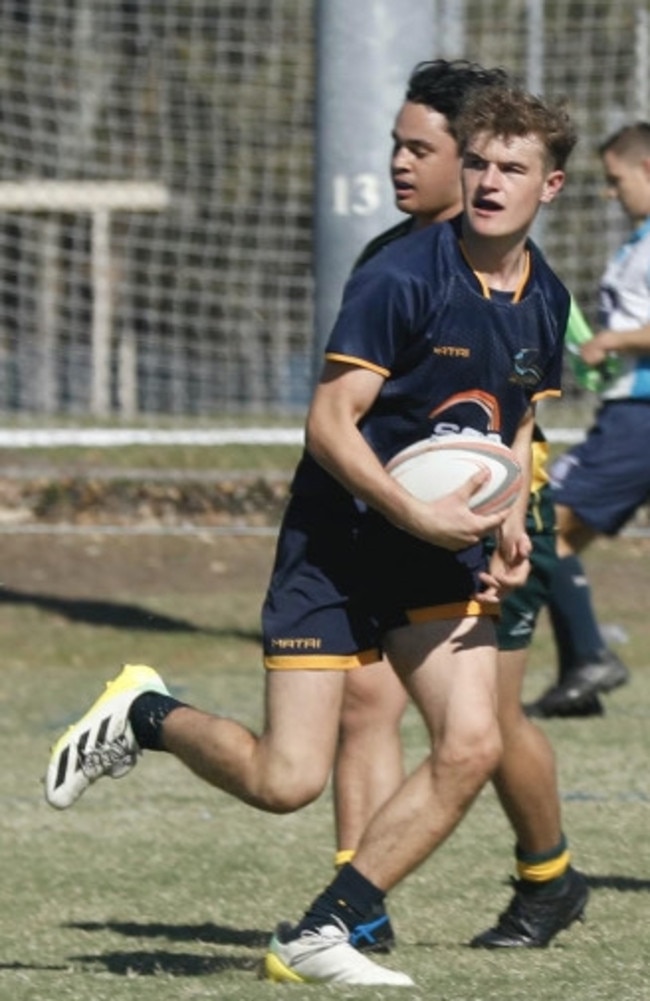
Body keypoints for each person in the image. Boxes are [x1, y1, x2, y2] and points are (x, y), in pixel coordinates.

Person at [45, 82, 580, 986]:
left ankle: (326, 928)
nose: (490, 181)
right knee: (285, 780)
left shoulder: (544, 297)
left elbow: (514, 423)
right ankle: (143, 713)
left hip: (441, 546)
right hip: (337, 544)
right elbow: (330, 422)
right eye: (480, 162)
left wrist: (509, 525)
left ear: (551, 186)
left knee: (473, 740)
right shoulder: (401, 276)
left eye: (512, 168)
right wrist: (415, 511)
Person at [333, 59, 589, 957]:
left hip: (489, 522)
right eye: (396, 146)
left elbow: (525, 403)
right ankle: (356, 909)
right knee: (364, 701)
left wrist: (511, 508)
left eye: (421, 148)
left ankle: (547, 876)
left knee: (487, 723)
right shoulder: (396, 261)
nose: (405, 164)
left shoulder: (529, 276)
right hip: (397, 523)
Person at [525, 122, 650, 718]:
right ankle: (582, 669)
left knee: (544, 522)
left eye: (614, 180)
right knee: (556, 535)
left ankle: (589, 660)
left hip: (642, 417)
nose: (610, 193)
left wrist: (612, 342)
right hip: (628, 411)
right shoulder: (637, 243)